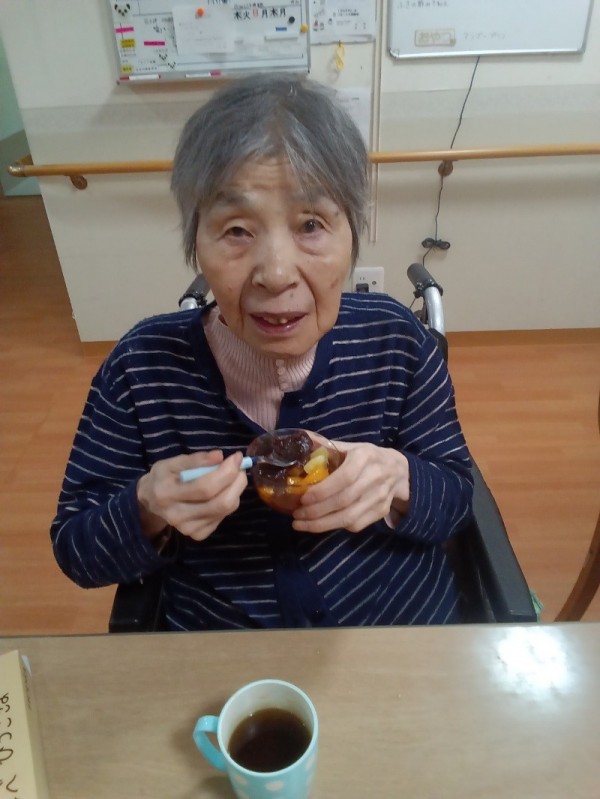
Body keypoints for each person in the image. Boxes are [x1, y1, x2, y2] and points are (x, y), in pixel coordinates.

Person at [51, 74, 473, 630]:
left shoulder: (395, 341)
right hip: (223, 652)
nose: (276, 274)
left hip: (398, 635)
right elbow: (76, 551)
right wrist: (147, 507)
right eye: (236, 230)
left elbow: (458, 500)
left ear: (353, 232)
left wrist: (399, 480)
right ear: (195, 242)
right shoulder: (140, 369)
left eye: (312, 224)